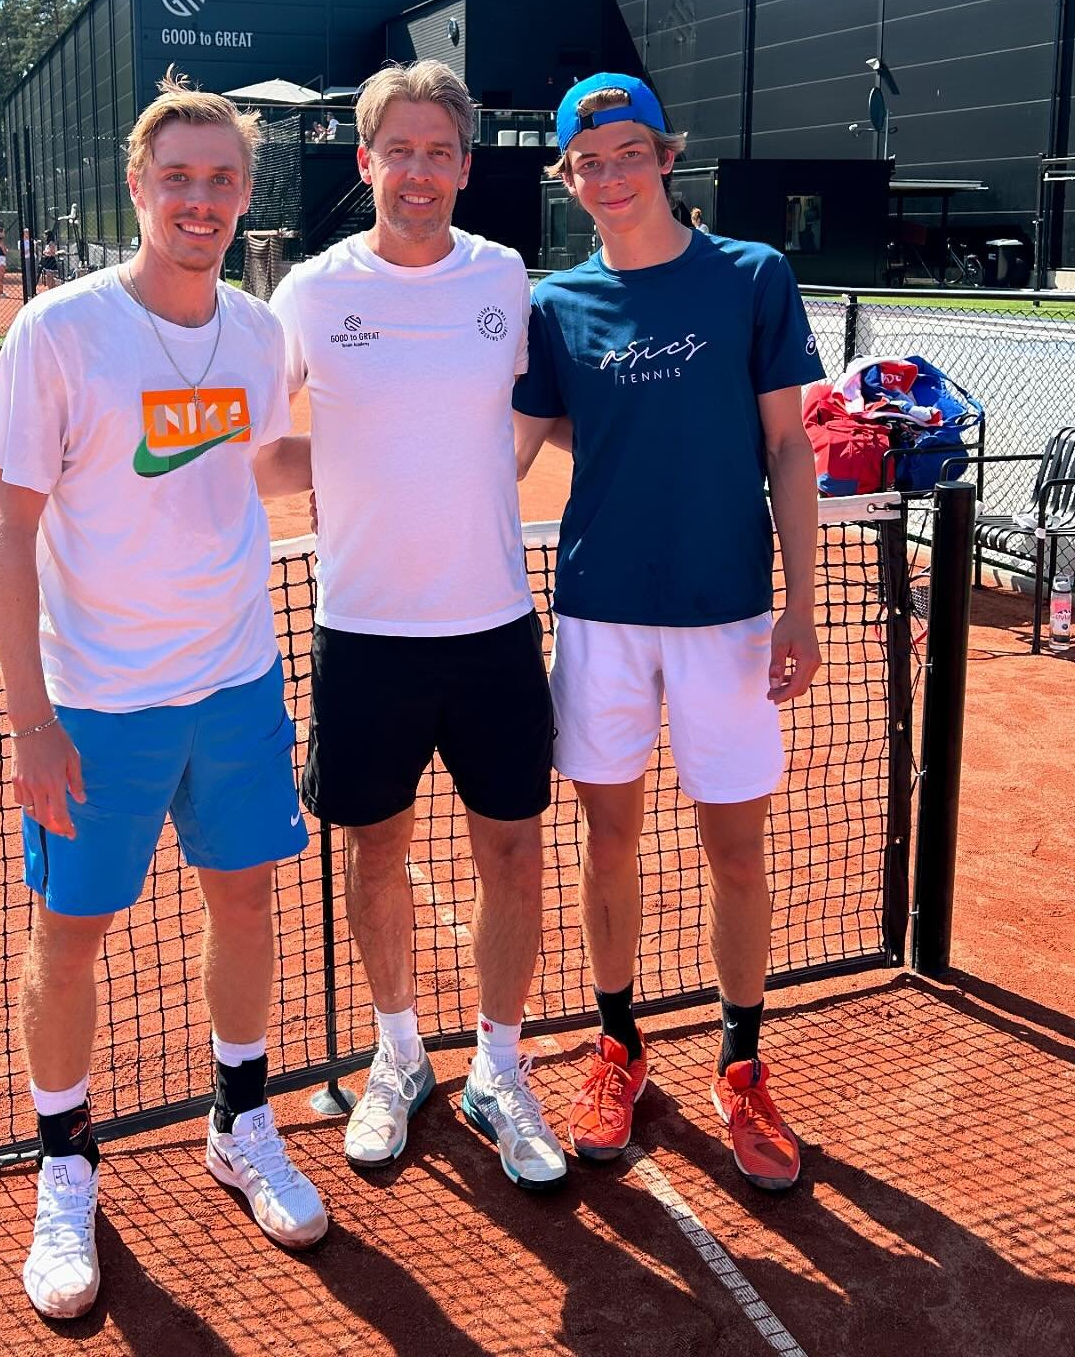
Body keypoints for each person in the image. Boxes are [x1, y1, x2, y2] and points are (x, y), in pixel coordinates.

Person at [0, 68, 327, 1321]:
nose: (201, 197)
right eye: (177, 176)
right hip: (98, 708)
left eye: (223, 178)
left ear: (247, 194)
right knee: (70, 939)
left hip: (236, 682)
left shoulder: (258, 328)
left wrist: (387, 448)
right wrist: (30, 720)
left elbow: (257, 458)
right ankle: (64, 1166)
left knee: (246, 904)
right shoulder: (58, 332)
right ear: (137, 186)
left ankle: (241, 1119)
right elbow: (9, 532)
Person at [513, 73, 824, 1192]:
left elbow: (791, 450)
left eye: (629, 151)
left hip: (729, 617)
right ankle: (619, 1047)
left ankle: (741, 1066)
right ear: (568, 178)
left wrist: (802, 600)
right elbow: (501, 451)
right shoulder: (557, 307)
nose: (610, 174)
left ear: (665, 156)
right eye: (588, 161)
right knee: (609, 843)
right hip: (598, 617)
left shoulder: (751, 277)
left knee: (735, 851)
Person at [270, 59, 565, 1191]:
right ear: (366, 161)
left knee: (513, 857)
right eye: (400, 149)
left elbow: (542, 415)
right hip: (364, 633)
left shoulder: (506, 278)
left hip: (494, 627)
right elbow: (255, 445)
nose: (421, 170)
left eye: (441, 149)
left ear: (465, 165)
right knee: (375, 855)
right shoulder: (311, 293)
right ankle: (401, 1058)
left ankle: (498, 1065)